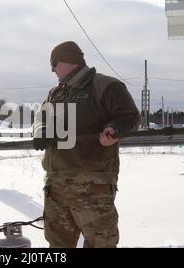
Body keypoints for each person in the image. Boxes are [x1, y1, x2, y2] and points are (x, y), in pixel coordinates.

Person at [32, 41, 140, 248]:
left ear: (70, 61)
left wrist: (113, 129)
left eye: (54, 63)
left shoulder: (106, 86)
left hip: (92, 185)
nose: (52, 69)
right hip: (56, 185)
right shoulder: (56, 93)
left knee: (100, 243)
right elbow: (41, 118)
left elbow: (130, 117)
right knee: (57, 245)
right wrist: (40, 131)